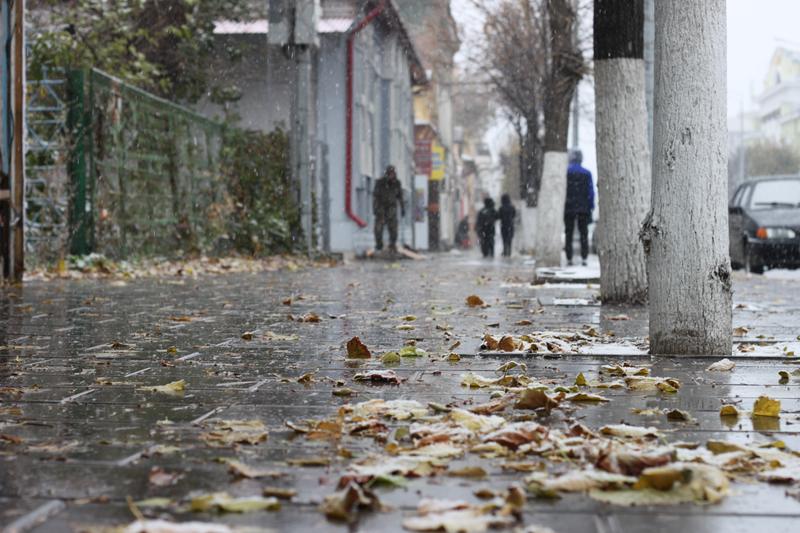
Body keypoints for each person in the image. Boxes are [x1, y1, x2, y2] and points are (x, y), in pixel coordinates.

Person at [564, 148, 594, 266]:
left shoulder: (566, 172)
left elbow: (562, 190)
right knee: (584, 233)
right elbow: (590, 192)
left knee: (568, 233)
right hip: (583, 208)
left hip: (569, 207)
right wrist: (590, 206)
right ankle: (584, 256)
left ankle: (569, 256)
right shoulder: (587, 173)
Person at [373, 165, 405, 252]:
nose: (391, 176)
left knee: (393, 228)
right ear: (387, 174)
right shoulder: (380, 183)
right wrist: (376, 209)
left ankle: (392, 244)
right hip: (381, 207)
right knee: (378, 228)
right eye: (390, 174)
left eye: (393, 174)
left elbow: (400, 196)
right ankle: (379, 244)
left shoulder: (397, 183)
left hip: (392, 208)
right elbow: (376, 197)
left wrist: (402, 208)